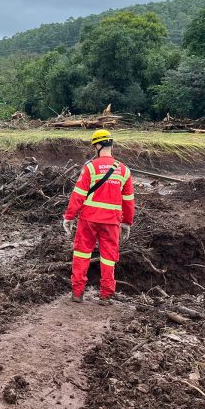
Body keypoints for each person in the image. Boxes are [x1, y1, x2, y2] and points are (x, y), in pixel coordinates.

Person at [62, 129, 134, 305]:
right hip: (112, 221)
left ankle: (77, 293)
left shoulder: (90, 167)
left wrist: (69, 217)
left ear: (97, 146)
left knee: (81, 253)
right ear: (111, 145)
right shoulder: (124, 170)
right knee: (109, 258)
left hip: (88, 219)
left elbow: (78, 195)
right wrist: (126, 223)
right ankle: (105, 295)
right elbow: (128, 201)